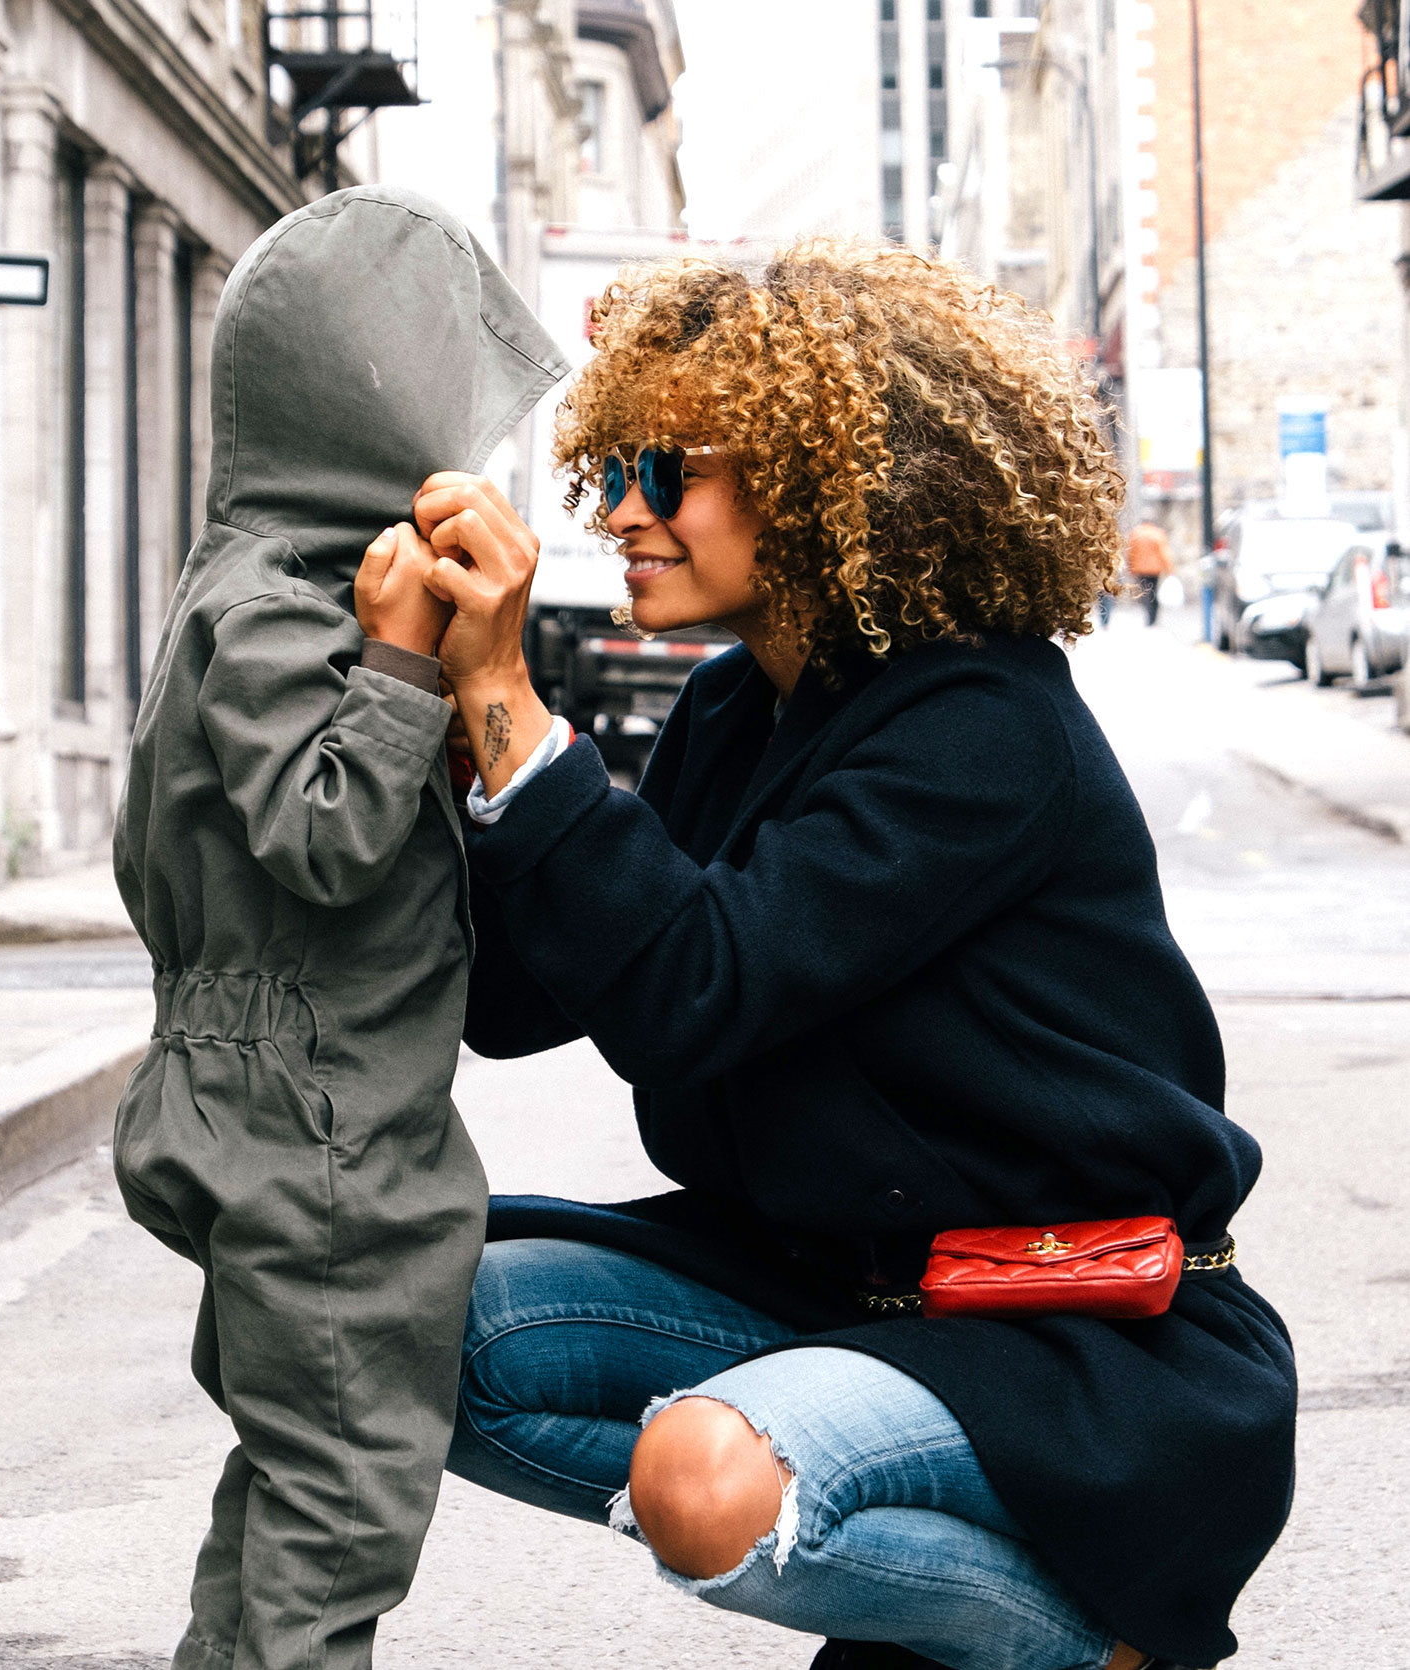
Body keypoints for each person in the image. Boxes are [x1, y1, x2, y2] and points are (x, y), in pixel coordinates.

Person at [413, 243, 1296, 1670]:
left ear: (825, 483)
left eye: (665, 469)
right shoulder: (733, 714)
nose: (619, 511)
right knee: (419, 1330)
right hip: (832, 1293)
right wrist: (442, 721)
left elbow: (695, 986)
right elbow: (521, 999)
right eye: (610, 468)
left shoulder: (983, 727)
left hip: (1079, 1339)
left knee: (701, 1479)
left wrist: (514, 700)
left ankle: (1086, 1633)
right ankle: (889, 1555)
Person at [110, 187, 565, 1670]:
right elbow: (324, 834)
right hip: (318, 1129)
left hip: (262, 1096)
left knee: (290, 1479)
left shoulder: (242, 583)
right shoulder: (291, 609)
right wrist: (399, 659)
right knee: (344, 1501)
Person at [1126, 520, 1174, 626]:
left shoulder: (1136, 533)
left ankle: (1148, 614)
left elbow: (1131, 552)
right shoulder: (1157, 533)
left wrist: (1130, 567)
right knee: (1154, 591)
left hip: (1140, 568)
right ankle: (1153, 616)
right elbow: (1164, 552)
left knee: (1145, 592)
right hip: (1155, 568)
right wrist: (1169, 569)